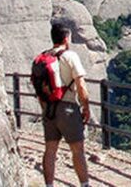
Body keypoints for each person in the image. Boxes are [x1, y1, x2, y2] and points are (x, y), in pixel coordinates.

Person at [40, 22, 92, 187]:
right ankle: (84, 184)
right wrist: (86, 107)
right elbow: (81, 85)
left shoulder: (43, 57)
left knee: (50, 150)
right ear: (66, 38)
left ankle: (49, 185)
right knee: (77, 150)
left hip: (49, 109)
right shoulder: (70, 56)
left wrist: (45, 108)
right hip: (68, 108)